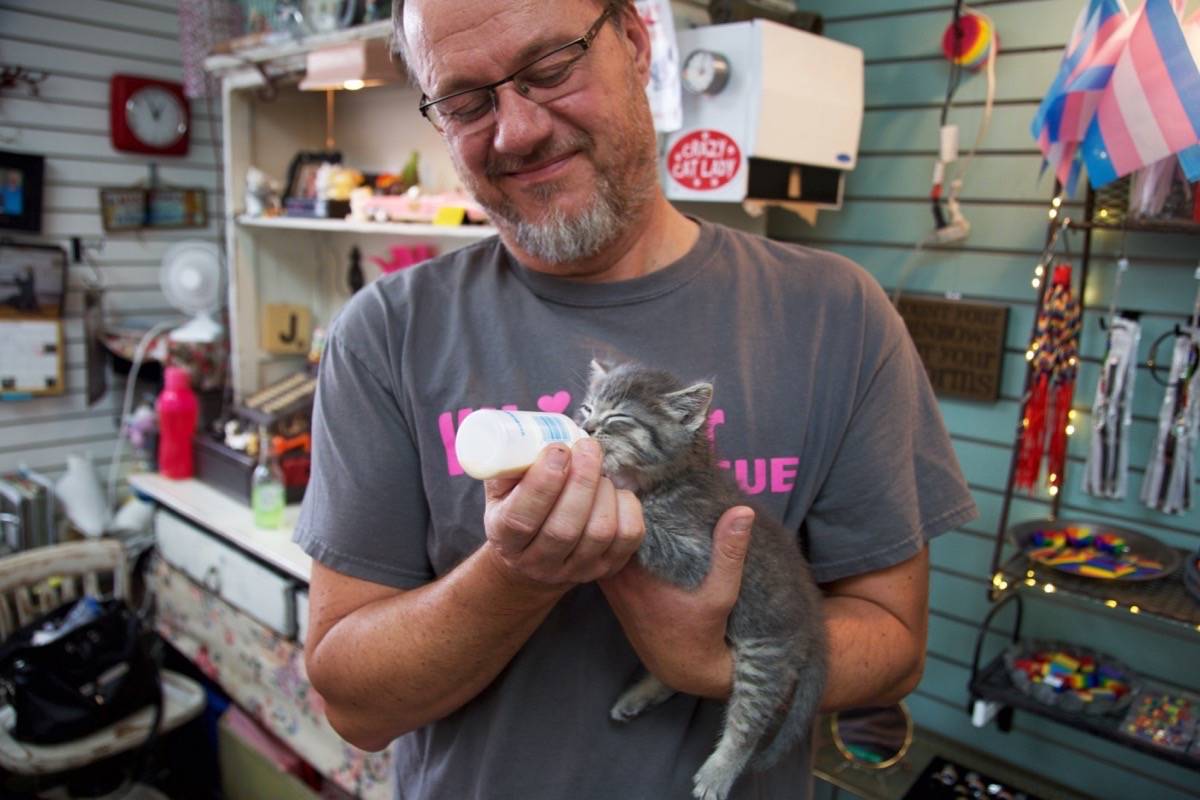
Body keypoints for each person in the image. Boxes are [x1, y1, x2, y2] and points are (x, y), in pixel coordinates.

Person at [294, 1, 978, 797]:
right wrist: (518, 573)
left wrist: (713, 662)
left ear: (636, 40)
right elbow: (353, 703)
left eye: (551, 69)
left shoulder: (837, 315)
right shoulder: (385, 333)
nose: (516, 131)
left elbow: (894, 640)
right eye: (465, 102)